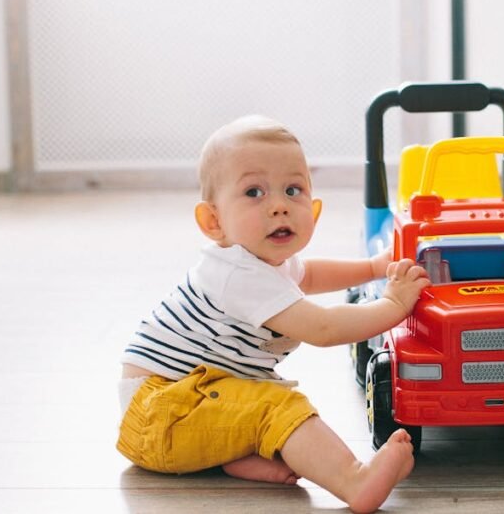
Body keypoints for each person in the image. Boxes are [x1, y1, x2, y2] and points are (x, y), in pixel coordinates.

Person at [116, 115, 430, 513]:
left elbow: (310, 274)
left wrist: (371, 267)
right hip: (163, 415)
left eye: (292, 189)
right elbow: (324, 328)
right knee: (275, 405)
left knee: (257, 396)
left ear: (313, 209)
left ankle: (230, 455)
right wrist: (393, 305)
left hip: (179, 408)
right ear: (214, 222)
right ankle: (355, 480)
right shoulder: (239, 275)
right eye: (254, 192)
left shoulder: (264, 261)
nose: (279, 206)